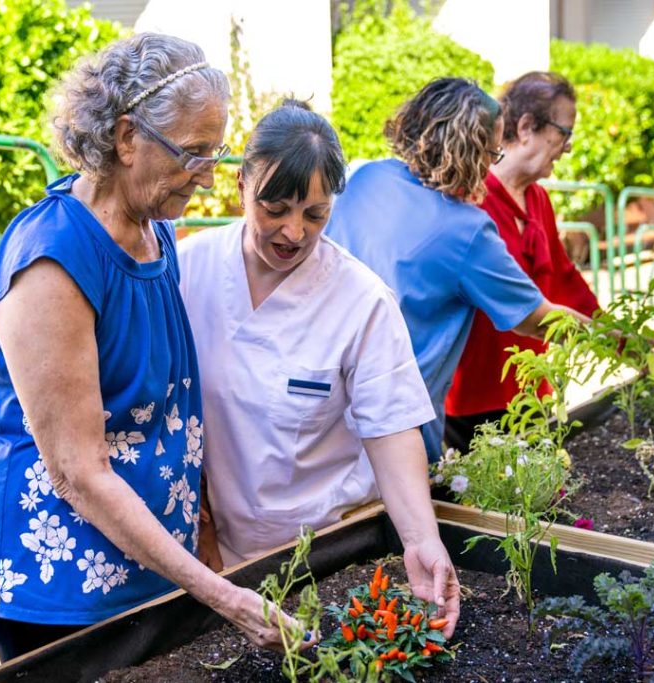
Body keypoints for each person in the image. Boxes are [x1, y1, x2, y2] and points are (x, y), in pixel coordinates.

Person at [0, 34, 308, 662]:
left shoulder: (155, 231)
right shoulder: (53, 261)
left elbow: (172, 407)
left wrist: (199, 532)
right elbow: (78, 473)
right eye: (192, 152)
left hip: (140, 554)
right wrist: (221, 595)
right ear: (125, 138)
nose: (207, 173)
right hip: (54, 571)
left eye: (216, 151)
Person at [178, 100, 459, 636]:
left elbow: (392, 428)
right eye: (274, 208)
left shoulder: (361, 300)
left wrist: (422, 540)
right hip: (223, 559)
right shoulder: (190, 269)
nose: (293, 232)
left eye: (315, 214)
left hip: (329, 549)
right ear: (241, 184)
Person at [325, 78, 591, 463]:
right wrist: (612, 338)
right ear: (470, 152)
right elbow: (536, 318)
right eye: (491, 154)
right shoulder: (466, 230)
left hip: (329, 403)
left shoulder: (366, 177)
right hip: (397, 426)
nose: (490, 165)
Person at [443, 72, 600, 450]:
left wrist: (621, 338)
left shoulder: (539, 200)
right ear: (527, 126)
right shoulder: (471, 195)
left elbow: (564, 279)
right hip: (471, 394)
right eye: (564, 133)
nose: (567, 148)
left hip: (530, 389)